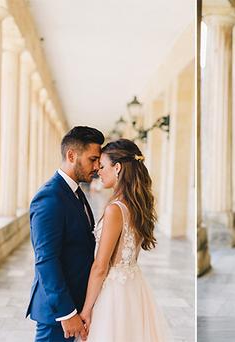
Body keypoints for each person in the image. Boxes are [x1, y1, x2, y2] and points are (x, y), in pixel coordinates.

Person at [78, 139, 170, 342]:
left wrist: (86, 310)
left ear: (117, 167)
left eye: (102, 166)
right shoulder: (136, 205)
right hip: (134, 288)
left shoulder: (115, 210)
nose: (98, 171)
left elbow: (100, 267)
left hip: (113, 295)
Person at [26, 126, 104, 341]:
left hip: (77, 303)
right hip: (58, 314)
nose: (97, 167)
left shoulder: (75, 191)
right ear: (71, 155)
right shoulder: (49, 197)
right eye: (93, 159)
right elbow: (46, 259)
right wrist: (67, 313)